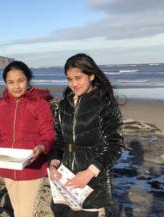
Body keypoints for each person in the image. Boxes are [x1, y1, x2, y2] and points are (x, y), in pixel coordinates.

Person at [0, 61, 55, 217]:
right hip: (7, 165)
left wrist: (42, 148)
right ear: (6, 83)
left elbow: (49, 135)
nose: (16, 86)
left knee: (25, 213)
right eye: (11, 82)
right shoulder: (0, 105)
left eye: (20, 81)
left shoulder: (40, 104)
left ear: (28, 79)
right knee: (18, 210)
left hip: (32, 166)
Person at [48, 53, 124, 217]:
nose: (73, 84)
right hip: (63, 182)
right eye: (69, 79)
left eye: (78, 78)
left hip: (92, 185)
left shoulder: (105, 104)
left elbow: (115, 145)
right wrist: (53, 164)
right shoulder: (63, 106)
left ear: (91, 75)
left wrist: (90, 172)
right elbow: (59, 142)